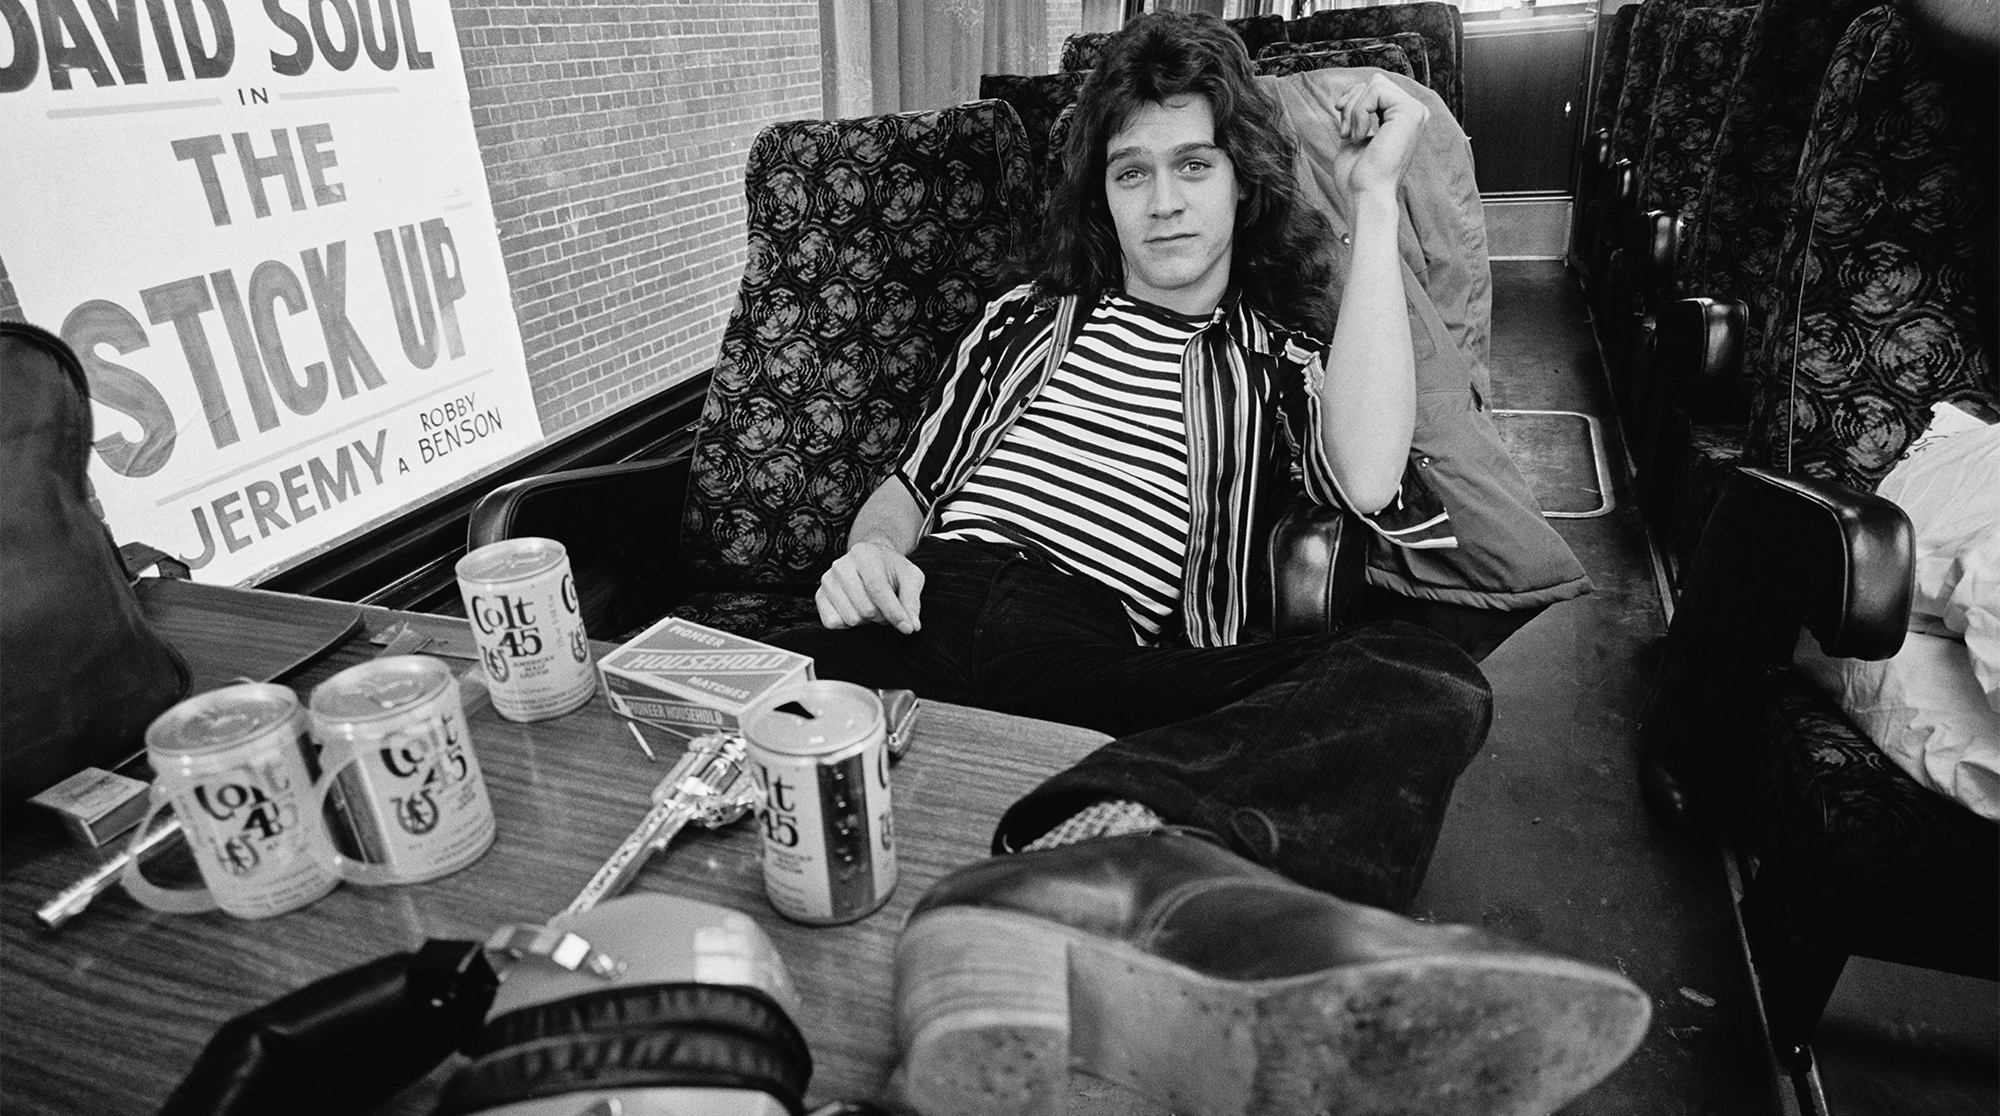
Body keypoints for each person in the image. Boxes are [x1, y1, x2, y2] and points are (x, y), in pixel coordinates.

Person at [767, 13, 1646, 1116]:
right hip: (908, 618)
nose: (1164, 202)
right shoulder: (1018, 323)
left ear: (1242, 184)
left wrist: (1375, 197)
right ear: (1102, 196)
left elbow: (1370, 474)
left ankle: (1117, 864)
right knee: (693, 691)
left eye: (1194, 165)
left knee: (1421, 681)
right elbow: (911, 483)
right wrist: (868, 552)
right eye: (1131, 173)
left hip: (1096, 656)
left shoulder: (1275, 356)